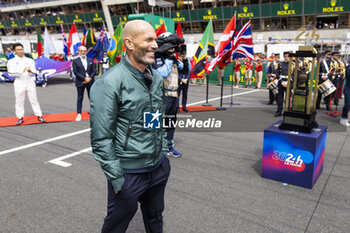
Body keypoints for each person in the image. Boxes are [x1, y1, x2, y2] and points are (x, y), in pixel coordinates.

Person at [90, 19, 170, 233]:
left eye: (155, 39)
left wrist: (162, 153)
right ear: (130, 43)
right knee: (116, 225)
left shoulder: (156, 79)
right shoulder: (109, 82)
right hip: (128, 173)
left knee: (155, 218)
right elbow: (101, 138)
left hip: (157, 168)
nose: (155, 45)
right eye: (149, 39)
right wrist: (117, 178)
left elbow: (156, 121)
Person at [153, 32, 186, 157]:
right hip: (162, 96)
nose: (172, 49)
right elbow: (162, 73)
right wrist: (169, 60)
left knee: (170, 122)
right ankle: (155, 148)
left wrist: (177, 59)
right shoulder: (158, 58)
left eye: (174, 47)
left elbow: (182, 67)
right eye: (170, 47)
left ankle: (168, 146)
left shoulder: (173, 58)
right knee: (157, 122)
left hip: (174, 95)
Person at [7, 43, 46, 125]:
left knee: (34, 99)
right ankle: (20, 117)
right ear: (15, 51)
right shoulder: (11, 61)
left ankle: (39, 115)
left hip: (29, 81)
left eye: (21, 49)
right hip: (19, 81)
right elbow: (10, 73)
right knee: (19, 101)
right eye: (18, 50)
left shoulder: (29, 60)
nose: (20, 51)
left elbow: (34, 72)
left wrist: (30, 71)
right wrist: (21, 71)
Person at [72, 46, 96, 121]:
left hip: (90, 81)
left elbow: (94, 70)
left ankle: (93, 112)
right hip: (81, 81)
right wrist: (84, 78)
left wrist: (89, 78)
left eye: (84, 51)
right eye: (81, 51)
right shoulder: (75, 61)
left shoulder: (90, 60)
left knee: (92, 97)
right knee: (80, 98)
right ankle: (79, 113)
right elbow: (76, 72)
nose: (83, 52)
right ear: (79, 52)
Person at [275, 52, 291, 117]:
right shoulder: (280, 64)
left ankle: (288, 111)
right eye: (285, 56)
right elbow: (277, 74)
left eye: (288, 56)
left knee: (288, 98)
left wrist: (287, 82)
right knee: (280, 98)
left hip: (288, 82)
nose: (286, 58)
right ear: (284, 57)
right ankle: (279, 111)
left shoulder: (292, 64)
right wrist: (281, 82)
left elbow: (293, 75)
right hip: (281, 83)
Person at [177, 45, 191, 112]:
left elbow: (188, 72)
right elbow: (176, 73)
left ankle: (184, 106)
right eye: (180, 56)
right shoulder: (177, 62)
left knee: (185, 94)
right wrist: (181, 79)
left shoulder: (187, 62)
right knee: (177, 94)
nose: (181, 57)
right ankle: (176, 107)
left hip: (185, 80)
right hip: (179, 80)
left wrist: (186, 79)